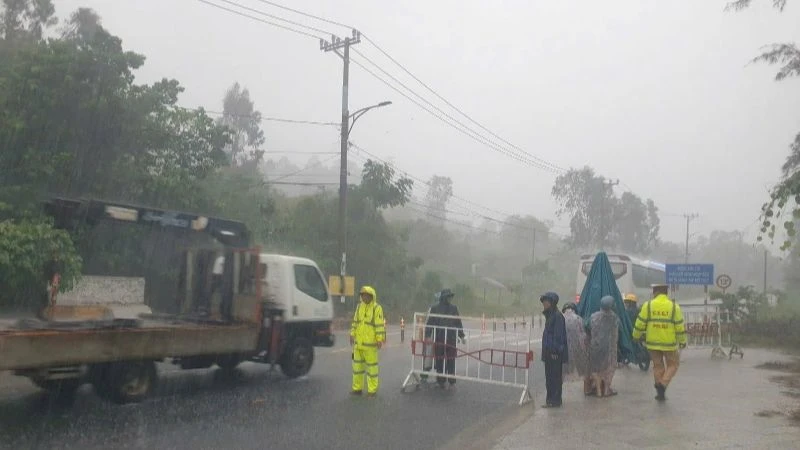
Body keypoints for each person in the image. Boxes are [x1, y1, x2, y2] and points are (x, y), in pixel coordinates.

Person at [632, 284, 687, 401]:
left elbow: (640, 323)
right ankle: (663, 384)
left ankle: (659, 392)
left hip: (652, 343)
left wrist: (635, 336)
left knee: (658, 366)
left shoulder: (648, 306)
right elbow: (679, 327)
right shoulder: (674, 307)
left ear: (655, 292)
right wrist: (682, 341)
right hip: (669, 344)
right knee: (673, 365)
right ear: (666, 293)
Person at [425, 289, 465, 388]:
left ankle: (451, 379)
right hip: (439, 337)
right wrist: (428, 336)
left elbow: (458, 323)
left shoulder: (454, 308)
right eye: (448, 296)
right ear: (443, 298)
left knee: (451, 359)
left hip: (451, 338)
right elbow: (430, 323)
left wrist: (462, 335)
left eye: (450, 296)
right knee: (439, 360)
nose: (450, 298)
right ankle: (441, 380)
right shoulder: (435, 308)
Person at [350, 286, 386, 397]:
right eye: (362, 295)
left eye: (366, 295)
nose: (363, 297)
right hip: (358, 345)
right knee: (357, 369)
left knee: (372, 369)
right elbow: (355, 321)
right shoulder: (359, 307)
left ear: (371, 296)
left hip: (370, 345)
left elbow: (379, 325)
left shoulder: (377, 308)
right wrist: (352, 334)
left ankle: (372, 391)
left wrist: (379, 339)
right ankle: (357, 388)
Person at [587, 295, 620, 398]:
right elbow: (616, 333)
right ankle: (606, 390)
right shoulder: (614, 317)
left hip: (595, 346)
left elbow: (588, 327)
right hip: (609, 348)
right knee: (608, 368)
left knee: (596, 369)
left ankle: (598, 391)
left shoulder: (593, 316)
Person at [540, 291, 568, 408]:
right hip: (548, 352)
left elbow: (558, 336)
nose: (544, 304)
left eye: (546, 302)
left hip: (554, 353)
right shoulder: (550, 315)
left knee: (555, 378)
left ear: (552, 303)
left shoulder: (557, 316)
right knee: (549, 377)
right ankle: (550, 399)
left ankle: (555, 400)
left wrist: (555, 351)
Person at [561, 302, 589, 391]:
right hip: (576, 348)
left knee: (562, 368)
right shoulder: (579, 319)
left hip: (562, 348)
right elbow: (583, 335)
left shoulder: (560, 318)